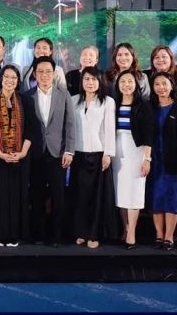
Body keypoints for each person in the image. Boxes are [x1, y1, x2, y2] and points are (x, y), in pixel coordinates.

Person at [23, 56, 75, 246]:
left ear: (54, 74)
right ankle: (38, 234)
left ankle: (56, 236)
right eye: (40, 71)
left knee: (58, 196)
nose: (44, 75)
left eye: (48, 71)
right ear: (35, 74)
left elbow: (70, 124)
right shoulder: (27, 96)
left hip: (58, 153)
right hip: (35, 152)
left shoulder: (64, 94)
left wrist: (69, 151)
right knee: (36, 195)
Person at [0, 65, 33, 247]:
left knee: (18, 196)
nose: (10, 80)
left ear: (18, 81)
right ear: (1, 79)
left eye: (14, 77)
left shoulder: (26, 100)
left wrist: (23, 153)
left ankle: (15, 236)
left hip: (20, 156)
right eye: (7, 76)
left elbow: (32, 129)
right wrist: (0, 153)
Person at [70, 67, 118, 249]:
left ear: (100, 81)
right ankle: (81, 232)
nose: (90, 83)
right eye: (86, 79)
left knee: (97, 198)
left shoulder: (107, 101)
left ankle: (94, 234)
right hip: (78, 154)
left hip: (98, 155)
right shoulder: (74, 100)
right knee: (80, 196)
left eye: (93, 79)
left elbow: (109, 129)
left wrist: (108, 154)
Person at [149, 71, 177, 251]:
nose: (161, 88)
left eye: (164, 84)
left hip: (174, 161)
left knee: (173, 198)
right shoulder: (149, 107)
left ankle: (169, 236)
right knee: (156, 198)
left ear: (172, 86)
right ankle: (159, 234)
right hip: (154, 161)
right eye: (157, 84)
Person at [112, 70, 154, 249]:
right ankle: (125, 227)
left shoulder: (143, 106)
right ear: (118, 85)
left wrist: (147, 159)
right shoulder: (113, 104)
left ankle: (132, 232)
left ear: (136, 85)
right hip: (116, 150)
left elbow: (149, 136)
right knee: (120, 192)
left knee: (134, 191)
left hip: (136, 151)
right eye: (123, 82)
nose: (126, 85)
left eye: (130, 81)